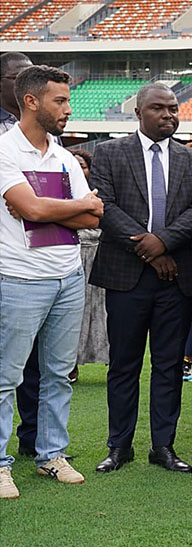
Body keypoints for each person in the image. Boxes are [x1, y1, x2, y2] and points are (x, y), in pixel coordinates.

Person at [90, 83, 192, 475]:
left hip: (176, 279)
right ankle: (119, 446)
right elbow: (105, 207)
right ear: (138, 112)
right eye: (159, 108)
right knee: (123, 365)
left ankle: (163, 446)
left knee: (169, 365)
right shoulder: (109, 153)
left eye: (173, 108)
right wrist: (151, 251)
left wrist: (164, 242)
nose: (168, 115)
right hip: (127, 277)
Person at [0, 65, 104, 498]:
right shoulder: (5, 150)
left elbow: (93, 215)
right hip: (19, 279)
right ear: (31, 101)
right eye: (59, 100)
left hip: (68, 277)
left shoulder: (62, 155)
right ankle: (0, 464)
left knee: (58, 375)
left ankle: (51, 455)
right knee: (6, 377)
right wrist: (62, 207)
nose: (67, 109)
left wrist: (45, 207)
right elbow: (34, 210)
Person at [0, 51, 45, 459]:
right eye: (18, 77)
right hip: (6, 257)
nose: (25, 84)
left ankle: (34, 439)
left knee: (35, 362)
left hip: (34, 260)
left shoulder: (44, 130)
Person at [69, 149, 109, 379]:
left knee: (100, 312)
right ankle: (70, 364)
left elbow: (98, 219)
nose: (79, 170)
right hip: (72, 255)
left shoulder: (99, 192)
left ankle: (109, 358)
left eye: (82, 166)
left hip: (98, 257)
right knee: (73, 314)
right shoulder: (62, 192)